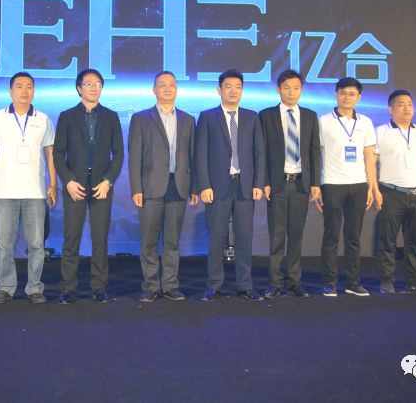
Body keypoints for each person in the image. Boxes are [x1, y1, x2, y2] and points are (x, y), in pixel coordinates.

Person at [0, 72, 57, 304]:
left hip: (35, 192)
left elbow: (50, 153)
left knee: (36, 244)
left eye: (29, 86)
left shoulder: (43, 119)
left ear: (34, 91)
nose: (24, 91)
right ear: (10, 91)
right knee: (4, 244)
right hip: (5, 192)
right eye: (19, 86)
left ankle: (35, 288)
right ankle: (6, 287)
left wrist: (53, 183)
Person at [54, 69, 124, 304]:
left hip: (101, 186)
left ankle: (99, 287)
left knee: (100, 239)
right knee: (71, 238)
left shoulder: (111, 116)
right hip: (75, 186)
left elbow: (119, 154)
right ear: (79, 88)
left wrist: (108, 181)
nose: (94, 88)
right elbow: (58, 153)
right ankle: (68, 288)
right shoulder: (66, 116)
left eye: (98, 84)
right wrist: (68, 180)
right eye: (89, 83)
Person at [195, 69, 266, 302]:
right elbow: (200, 154)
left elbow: (259, 153)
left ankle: (245, 285)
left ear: (242, 90)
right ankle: (214, 285)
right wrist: (204, 185)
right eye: (228, 86)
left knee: (245, 237)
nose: (233, 91)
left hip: (245, 187)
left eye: (237, 87)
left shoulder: (252, 117)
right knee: (216, 237)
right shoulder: (207, 117)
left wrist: (258, 183)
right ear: (219, 90)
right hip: (217, 187)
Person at [128, 71, 198, 302]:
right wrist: (136, 188)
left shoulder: (188, 120)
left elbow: (192, 156)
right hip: (150, 187)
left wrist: (194, 188)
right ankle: (150, 286)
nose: (167, 89)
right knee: (149, 241)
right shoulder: (141, 118)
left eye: (172, 85)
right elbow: (134, 156)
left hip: (179, 186)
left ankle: (170, 286)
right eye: (162, 85)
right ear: (154, 89)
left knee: (172, 241)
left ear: (177, 89)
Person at [259, 70, 320, 299]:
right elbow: (262, 152)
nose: (291, 92)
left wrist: (315, 183)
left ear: (301, 90)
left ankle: (295, 282)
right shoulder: (266, 115)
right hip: (277, 184)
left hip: (301, 184)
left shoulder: (310, 116)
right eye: (286, 88)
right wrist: (264, 181)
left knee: (296, 235)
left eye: (296, 88)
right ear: (278, 89)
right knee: (276, 236)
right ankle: (275, 283)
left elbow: (314, 152)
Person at [316, 77, 378, 297]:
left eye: (352, 94)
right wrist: (318, 186)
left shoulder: (366, 122)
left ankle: (353, 282)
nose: (347, 97)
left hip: (359, 184)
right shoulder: (323, 121)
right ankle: (329, 282)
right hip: (332, 183)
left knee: (353, 237)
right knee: (331, 235)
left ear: (358, 97)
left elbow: (369, 157)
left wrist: (371, 186)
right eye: (343, 93)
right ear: (336, 94)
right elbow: (316, 156)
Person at [374, 90, 416, 294]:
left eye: (410, 104)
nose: (407, 108)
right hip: (391, 192)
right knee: (387, 240)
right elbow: (371, 162)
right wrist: (374, 189)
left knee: (415, 241)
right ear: (390, 109)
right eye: (401, 104)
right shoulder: (380, 132)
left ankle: (415, 279)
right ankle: (387, 280)